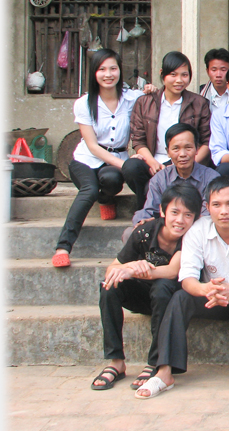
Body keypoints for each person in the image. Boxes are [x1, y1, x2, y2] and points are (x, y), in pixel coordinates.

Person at [135, 177, 229, 403]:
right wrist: (204, 289)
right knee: (180, 297)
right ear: (207, 207)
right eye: (216, 205)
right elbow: (187, 278)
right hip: (209, 296)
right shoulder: (198, 230)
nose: (224, 211)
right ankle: (164, 373)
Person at [92, 183, 202, 391]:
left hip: (171, 301)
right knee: (109, 285)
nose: (180, 220)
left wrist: (134, 270)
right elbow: (112, 268)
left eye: (188, 215)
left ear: (195, 217)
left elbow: (171, 271)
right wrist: (129, 267)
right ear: (162, 211)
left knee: (162, 287)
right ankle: (116, 361)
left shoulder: (192, 237)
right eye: (175, 212)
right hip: (143, 296)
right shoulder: (144, 232)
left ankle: (155, 361)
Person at [52, 48, 154, 268]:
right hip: (85, 160)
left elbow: (154, 98)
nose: (108, 74)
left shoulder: (132, 98)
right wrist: (125, 163)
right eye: (102, 69)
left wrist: (151, 89)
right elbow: (92, 146)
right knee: (88, 190)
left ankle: (107, 198)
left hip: (114, 163)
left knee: (112, 179)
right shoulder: (84, 103)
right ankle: (63, 246)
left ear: (119, 71)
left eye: (113, 69)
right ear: (94, 74)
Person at [123, 51, 211, 211]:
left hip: (185, 160)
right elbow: (138, 139)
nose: (179, 80)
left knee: (151, 187)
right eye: (173, 74)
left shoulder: (199, 103)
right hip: (153, 160)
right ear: (162, 74)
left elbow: (206, 141)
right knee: (131, 167)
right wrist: (152, 162)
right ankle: (147, 212)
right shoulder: (145, 102)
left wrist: (187, 162)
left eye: (184, 75)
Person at [130, 123, 220, 229]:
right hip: (167, 232)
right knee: (130, 233)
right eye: (176, 148)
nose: (182, 154)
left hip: (199, 232)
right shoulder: (160, 179)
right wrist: (142, 222)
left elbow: (208, 216)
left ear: (196, 149)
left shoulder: (211, 178)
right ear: (168, 152)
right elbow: (149, 210)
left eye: (188, 147)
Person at [198, 48, 229, 114]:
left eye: (223, 70)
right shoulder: (199, 93)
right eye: (214, 70)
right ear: (207, 71)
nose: (218, 75)